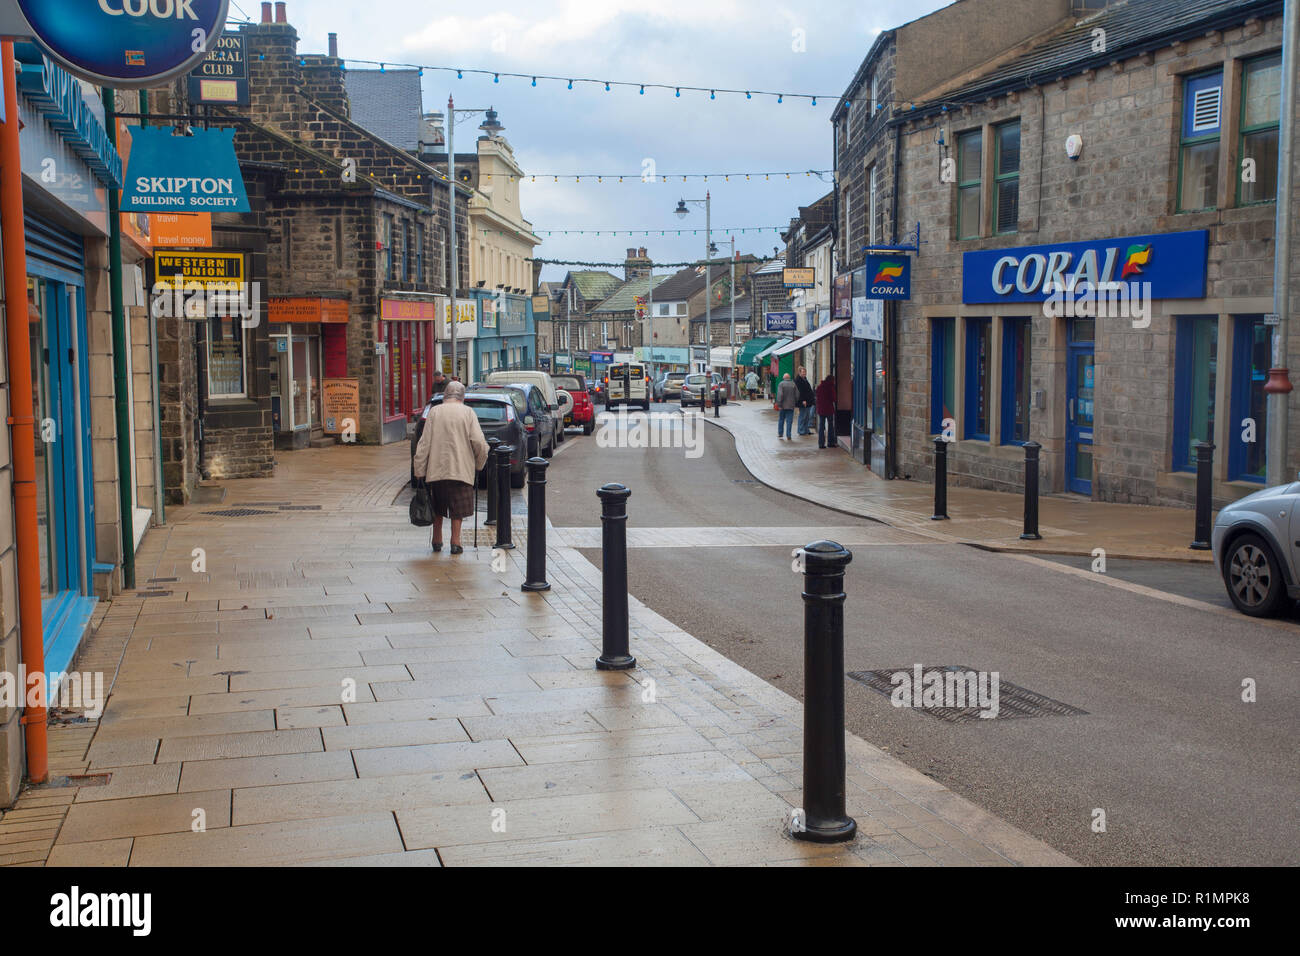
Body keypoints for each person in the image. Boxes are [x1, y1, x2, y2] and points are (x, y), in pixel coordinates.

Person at [412, 381, 488, 555]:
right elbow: (479, 442)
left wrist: (419, 469)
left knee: (437, 506)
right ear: (462, 396)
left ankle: (437, 540)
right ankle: (456, 542)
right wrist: (479, 464)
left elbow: (424, 444)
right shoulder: (468, 412)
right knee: (458, 508)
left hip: (437, 468)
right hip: (461, 469)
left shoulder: (434, 412)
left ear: (445, 394)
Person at [816, 374, 838, 449]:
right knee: (830, 426)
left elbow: (817, 398)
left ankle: (821, 443)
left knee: (821, 426)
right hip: (829, 409)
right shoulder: (830, 387)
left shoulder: (819, 387)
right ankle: (830, 442)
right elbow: (834, 398)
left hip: (821, 409)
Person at [775, 373, 797, 439]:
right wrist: (794, 402)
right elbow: (797, 395)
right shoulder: (793, 384)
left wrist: (778, 403)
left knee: (781, 419)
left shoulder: (781, 384)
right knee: (789, 421)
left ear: (784, 378)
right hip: (791, 405)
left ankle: (780, 433)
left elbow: (780, 395)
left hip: (783, 406)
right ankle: (788, 435)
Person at [794, 366, 815, 435]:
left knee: (807, 416)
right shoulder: (798, 380)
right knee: (802, 416)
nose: (804, 373)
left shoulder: (805, 379)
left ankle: (806, 430)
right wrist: (803, 400)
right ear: (799, 372)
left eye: (805, 372)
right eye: (803, 372)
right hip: (803, 401)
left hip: (808, 401)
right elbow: (800, 392)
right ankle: (801, 430)